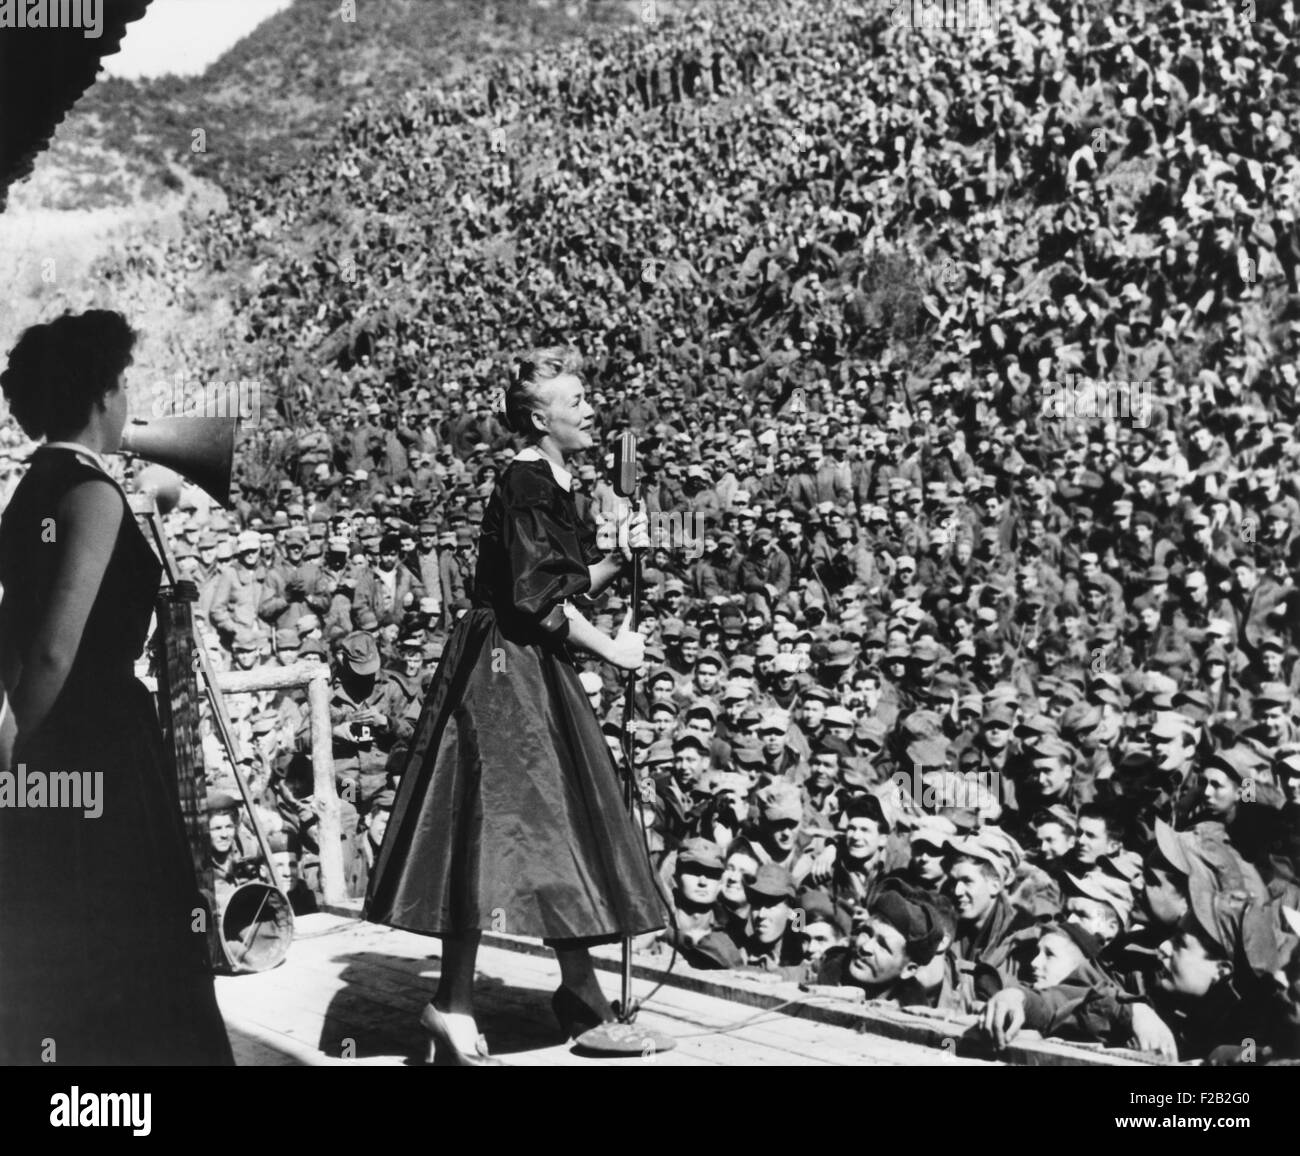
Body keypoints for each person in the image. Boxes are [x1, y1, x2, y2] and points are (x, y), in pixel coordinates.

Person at [365, 348, 665, 1063]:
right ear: (540, 417)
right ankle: (455, 1003)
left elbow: (554, 581)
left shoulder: (550, 480)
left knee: (552, 824)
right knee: (494, 828)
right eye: (575, 401)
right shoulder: (528, 480)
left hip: (527, 668)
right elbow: (535, 602)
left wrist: (616, 559)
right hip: (507, 677)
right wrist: (613, 652)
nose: (590, 409)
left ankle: (576, 991)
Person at [0, 311, 232, 1065]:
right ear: (102, 395)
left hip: (60, 754)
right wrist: (16, 742)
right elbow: (53, 655)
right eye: (124, 386)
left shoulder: (35, 486)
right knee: (136, 945)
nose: (131, 401)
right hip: (102, 742)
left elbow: (21, 636)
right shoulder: (91, 493)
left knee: (70, 951)